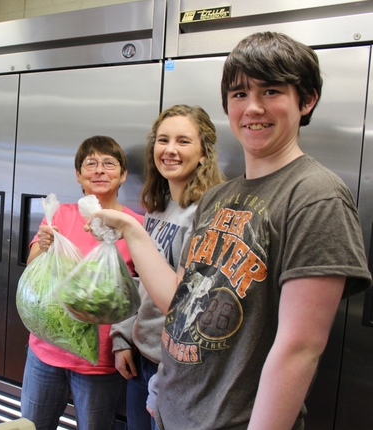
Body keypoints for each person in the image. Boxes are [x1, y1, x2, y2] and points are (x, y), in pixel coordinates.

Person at [85, 32, 372, 430]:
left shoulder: (316, 197)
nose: (253, 107)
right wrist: (130, 230)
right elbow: (179, 303)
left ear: (306, 100)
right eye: (239, 94)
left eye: (271, 91)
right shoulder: (218, 198)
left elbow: (300, 349)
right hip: (170, 412)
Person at [109, 104, 226, 429]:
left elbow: (198, 311)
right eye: (163, 140)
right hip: (144, 356)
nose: (170, 150)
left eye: (183, 141)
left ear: (204, 153)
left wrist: (163, 384)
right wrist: (123, 337)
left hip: (178, 371)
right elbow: (143, 282)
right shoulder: (159, 210)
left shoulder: (208, 215)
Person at [20, 135, 144, 430]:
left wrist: (124, 342)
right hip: (45, 351)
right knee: (31, 426)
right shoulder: (60, 215)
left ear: (123, 174)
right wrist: (45, 245)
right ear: (79, 174)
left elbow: (144, 290)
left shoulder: (137, 224)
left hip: (100, 359)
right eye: (90, 164)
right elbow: (32, 266)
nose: (99, 170)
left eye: (109, 164)